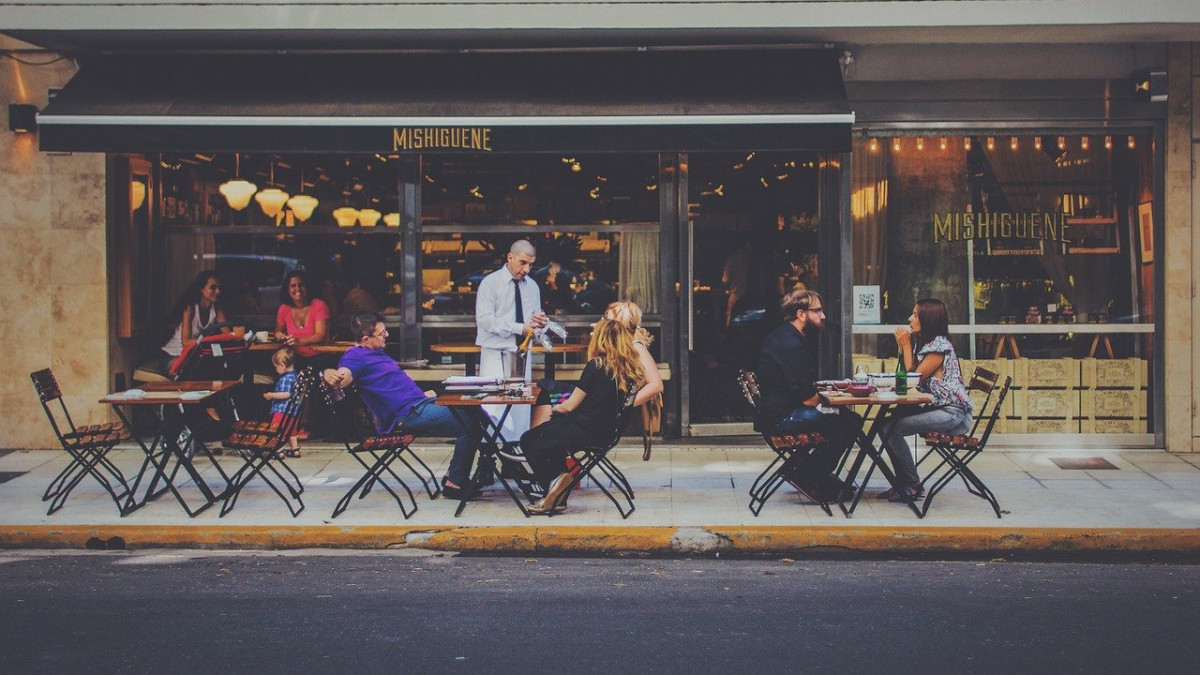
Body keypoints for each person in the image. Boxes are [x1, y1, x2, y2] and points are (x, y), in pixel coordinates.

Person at [323, 312, 483, 500]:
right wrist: (329, 374)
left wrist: (421, 394)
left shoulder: (376, 352)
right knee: (470, 422)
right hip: (407, 415)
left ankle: (454, 475)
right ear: (366, 339)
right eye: (382, 333)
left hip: (419, 403)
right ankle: (455, 483)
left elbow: (392, 385)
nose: (387, 335)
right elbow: (343, 376)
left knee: (477, 413)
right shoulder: (355, 356)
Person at [519, 318, 661, 515]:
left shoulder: (596, 366)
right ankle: (557, 494)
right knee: (552, 441)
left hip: (583, 430)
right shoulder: (629, 370)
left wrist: (554, 409)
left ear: (600, 339)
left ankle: (555, 482)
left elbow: (570, 406)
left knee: (529, 439)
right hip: (606, 434)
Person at [755, 289, 860, 503]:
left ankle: (810, 471)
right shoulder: (791, 345)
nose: (823, 316)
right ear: (801, 314)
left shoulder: (787, 337)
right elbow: (808, 399)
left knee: (848, 419)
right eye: (817, 311)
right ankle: (808, 475)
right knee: (847, 423)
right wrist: (835, 397)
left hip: (776, 413)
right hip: (784, 418)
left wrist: (831, 392)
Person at [880, 298, 974, 502]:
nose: (910, 319)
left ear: (928, 319)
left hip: (952, 414)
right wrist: (906, 347)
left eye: (915, 315)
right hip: (940, 408)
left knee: (890, 428)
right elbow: (908, 375)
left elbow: (913, 379)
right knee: (887, 424)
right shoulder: (926, 344)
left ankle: (910, 483)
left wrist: (905, 345)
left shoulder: (939, 347)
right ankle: (902, 482)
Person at [475, 239, 547, 440]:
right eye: (522, 263)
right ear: (510, 257)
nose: (526, 269)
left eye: (530, 265)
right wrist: (519, 327)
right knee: (492, 407)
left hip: (522, 354)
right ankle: (488, 459)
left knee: (520, 409)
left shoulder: (532, 287)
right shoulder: (491, 283)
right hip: (495, 353)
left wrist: (540, 323)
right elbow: (484, 319)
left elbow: (534, 323)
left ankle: (513, 457)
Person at [160, 270, 227, 373]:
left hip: (192, 357)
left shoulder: (217, 307)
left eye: (219, 288)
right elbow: (186, 342)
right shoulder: (190, 307)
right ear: (201, 288)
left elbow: (227, 334)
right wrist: (213, 340)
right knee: (191, 374)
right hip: (172, 356)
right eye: (213, 287)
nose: (218, 291)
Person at [274, 270, 330, 359]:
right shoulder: (284, 308)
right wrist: (280, 336)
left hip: (318, 356)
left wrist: (299, 342)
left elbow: (320, 335)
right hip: (293, 358)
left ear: (307, 287)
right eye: (293, 285)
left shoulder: (319, 305)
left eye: (301, 285)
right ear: (287, 290)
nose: (298, 289)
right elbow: (278, 331)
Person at [263, 348, 301, 457]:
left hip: (282, 410)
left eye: (276, 367)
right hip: (293, 412)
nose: (275, 369)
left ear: (282, 365)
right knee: (291, 432)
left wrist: (271, 395)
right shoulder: (295, 376)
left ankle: (278, 450)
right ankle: (295, 449)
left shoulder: (286, 378)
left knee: (278, 431)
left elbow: (286, 394)